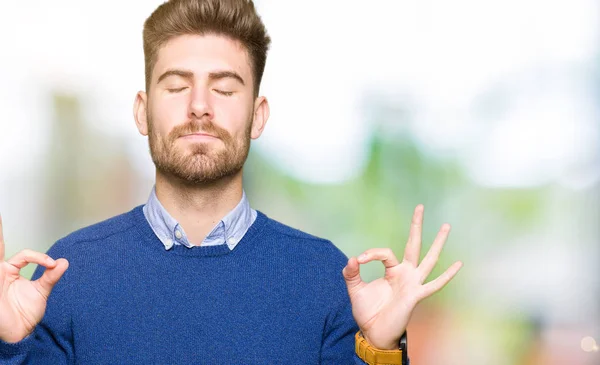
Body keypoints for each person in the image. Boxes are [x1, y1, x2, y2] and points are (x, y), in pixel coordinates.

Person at [0, 0, 462, 364]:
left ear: (257, 115)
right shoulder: (67, 274)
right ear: (142, 111)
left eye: (224, 89)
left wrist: (380, 350)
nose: (200, 106)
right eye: (177, 86)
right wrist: (8, 345)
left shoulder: (326, 276)